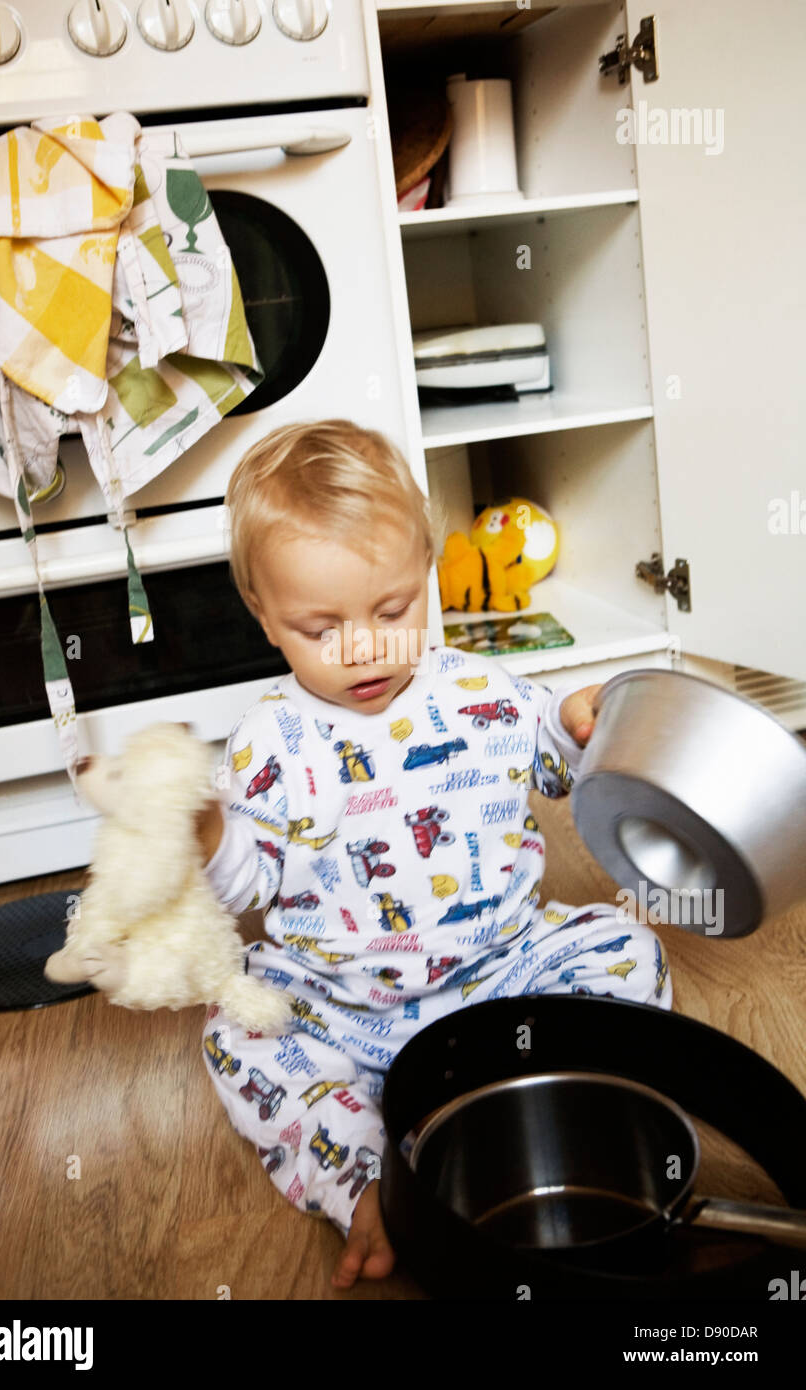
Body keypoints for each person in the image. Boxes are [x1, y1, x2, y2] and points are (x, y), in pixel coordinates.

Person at [195, 418, 672, 1290]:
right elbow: (248, 883)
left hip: (503, 970)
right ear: (264, 616)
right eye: (320, 626)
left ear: (424, 574)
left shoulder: (480, 688)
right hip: (343, 1002)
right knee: (238, 1034)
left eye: (392, 609)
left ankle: (574, 1105)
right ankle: (367, 1179)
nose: (366, 645)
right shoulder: (269, 741)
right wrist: (208, 835)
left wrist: (576, 725)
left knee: (627, 949)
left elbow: (555, 768)